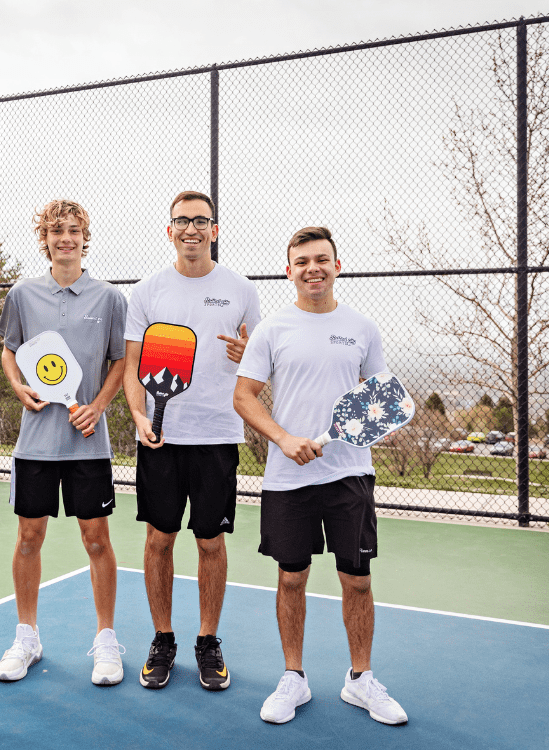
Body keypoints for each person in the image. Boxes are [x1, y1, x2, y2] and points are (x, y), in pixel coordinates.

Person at [233, 226, 408, 725]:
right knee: (292, 578)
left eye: (322, 259)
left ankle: (361, 681)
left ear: (337, 265)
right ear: (289, 271)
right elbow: (243, 396)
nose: (313, 268)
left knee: (357, 580)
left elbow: (380, 398)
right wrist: (284, 439)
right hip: (288, 479)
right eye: (302, 261)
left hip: (350, 474)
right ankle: (294, 678)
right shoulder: (272, 330)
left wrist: (377, 426)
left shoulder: (362, 328)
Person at [123, 190, 261, 691]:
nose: (191, 230)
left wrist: (249, 355)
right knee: (159, 539)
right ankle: (163, 639)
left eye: (201, 221)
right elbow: (135, 364)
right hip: (160, 438)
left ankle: (207, 640)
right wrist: (139, 415)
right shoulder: (147, 291)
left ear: (215, 231)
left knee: (210, 541)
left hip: (217, 436)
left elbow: (258, 370)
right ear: (169, 231)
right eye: (181, 221)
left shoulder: (242, 290)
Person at [0, 199, 128, 686]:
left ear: (84, 237)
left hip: (89, 446)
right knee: (29, 539)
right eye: (57, 232)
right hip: (35, 446)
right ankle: (26, 636)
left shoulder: (110, 298)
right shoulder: (23, 295)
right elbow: (10, 351)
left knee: (97, 540)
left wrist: (100, 405)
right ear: (45, 240)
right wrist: (17, 385)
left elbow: (120, 361)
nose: (65, 238)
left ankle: (107, 640)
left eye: (74, 231)